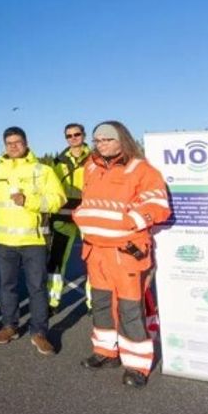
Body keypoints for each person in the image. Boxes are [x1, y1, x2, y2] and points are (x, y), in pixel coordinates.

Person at [73, 121, 170, 388]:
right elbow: (88, 202)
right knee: (102, 305)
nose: (100, 144)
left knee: (130, 310)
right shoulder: (90, 167)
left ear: (121, 140)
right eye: (97, 140)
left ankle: (137, 365)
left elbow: (159, 206)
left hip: (125, 252)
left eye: (106, 139)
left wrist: (127, 222)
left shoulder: (141, 169)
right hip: (95, 251)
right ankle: (106, 352)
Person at [0, 126, 65, 355]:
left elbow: (58, 199)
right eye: (9, 143)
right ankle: (9, 326)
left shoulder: (42, 170)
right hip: (5, 241)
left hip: (34, 240)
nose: (13, 146)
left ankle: (39, 332)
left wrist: (29, 200)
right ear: (4, 146)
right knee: (6, 287)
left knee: (37, 288)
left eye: (17, 142)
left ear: (26, 142)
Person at [47, 123, 91, 315]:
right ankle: (52, 301)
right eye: (69, 136)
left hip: (88, 215)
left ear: (83, 135)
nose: (73, 138)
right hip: (63, 216)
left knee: (92, 261)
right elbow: (52, 188)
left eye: (77, 134)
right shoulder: (58, 162)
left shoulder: (95, 159)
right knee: (57, 261)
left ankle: (93, 303)